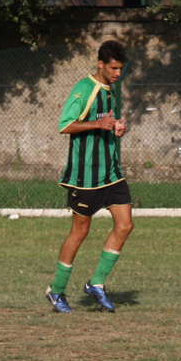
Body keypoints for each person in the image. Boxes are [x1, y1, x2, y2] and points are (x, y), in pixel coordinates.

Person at [46, 39, 133, 314]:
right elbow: (65, 125)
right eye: (114, 68)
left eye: (121, 69)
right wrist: (98, 123)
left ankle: (96, 284)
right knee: (80, 231)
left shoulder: (110, 90)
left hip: (111, 172)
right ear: (101, 64)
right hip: (85, 177)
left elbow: (104, 122)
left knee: (125, 225)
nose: (118, 73)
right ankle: (57, 291)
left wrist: (116, 127)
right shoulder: (84, 88)